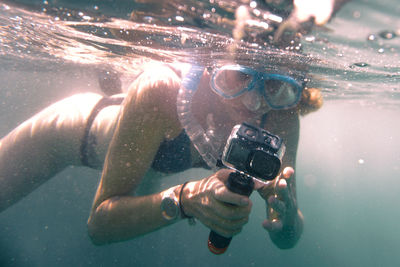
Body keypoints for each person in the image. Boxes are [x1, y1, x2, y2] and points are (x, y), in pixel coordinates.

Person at [0, 0, 343, 251]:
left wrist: (287, 216)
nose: (254, 103)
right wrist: (185, 200)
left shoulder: (281, 113)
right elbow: (99, 225)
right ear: (211, 66)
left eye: (272, 85)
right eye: (236, 77)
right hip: (71, 135)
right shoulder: (163, 90)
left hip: (148, 165)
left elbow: (288, 237)